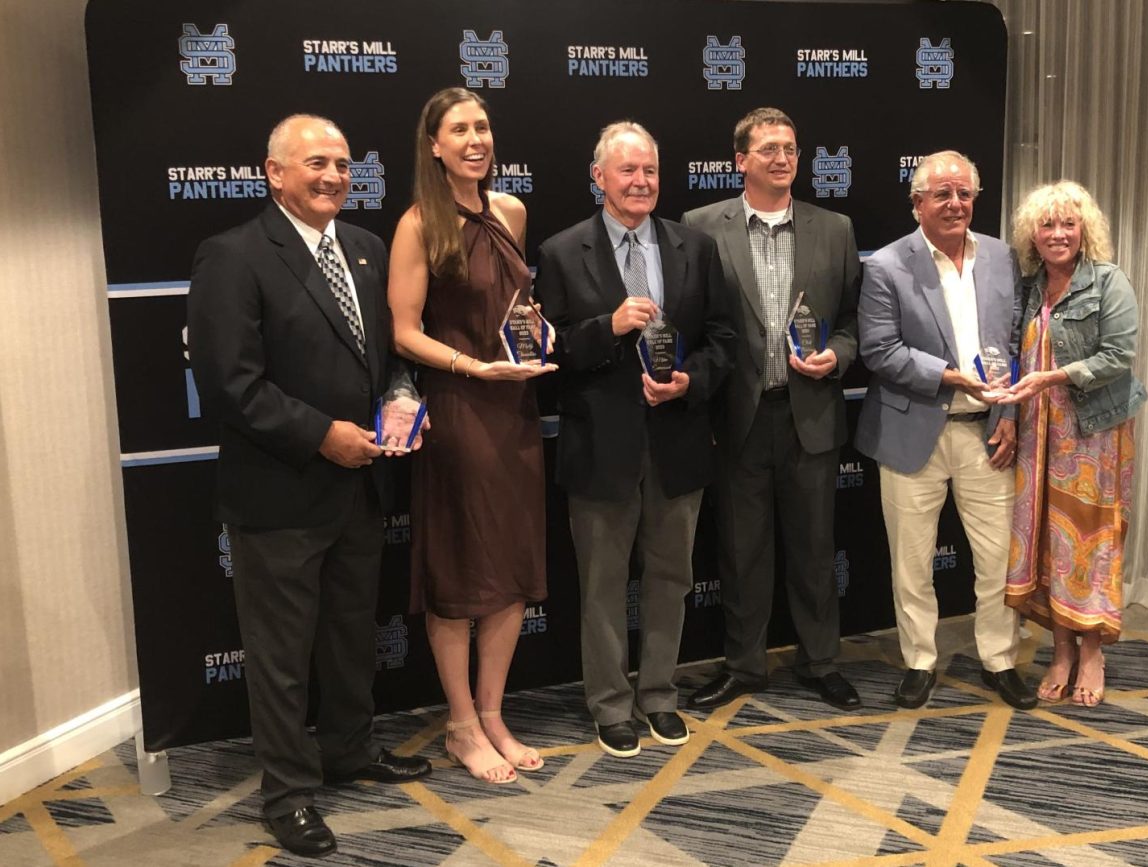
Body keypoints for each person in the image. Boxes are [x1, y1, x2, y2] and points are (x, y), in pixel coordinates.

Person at [187, 114, 432, 858]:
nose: (333, 176)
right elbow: (230, 385)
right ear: (275, 173)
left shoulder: (364, 248)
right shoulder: (232, 256)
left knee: (351, 637)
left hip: (359, 492)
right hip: (281, 494)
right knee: (282, 657)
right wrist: (322, 433)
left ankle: (350, 751)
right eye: (316, 163)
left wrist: (398, 398)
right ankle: (288, 793)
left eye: (343, 165)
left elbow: (386, 354)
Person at [536, 121, 737, 758]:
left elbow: (724, 342)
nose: (641, 182)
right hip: (600, 448)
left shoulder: (694, 248)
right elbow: (549, 352)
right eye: (627, 171)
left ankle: (658, 695)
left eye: (649, 170)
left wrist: (688, 382)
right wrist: (610, 325)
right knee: (600, 583)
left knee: (671, 577)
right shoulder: (562, 252)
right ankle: (608, 703)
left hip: (677, 440)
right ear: (599, 178)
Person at [388, 88, 553, 784]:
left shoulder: (511, 210)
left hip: (514, 410)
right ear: (434, 145)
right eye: (459, 129)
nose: (475, 138)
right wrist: (471, 365)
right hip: (457, 410)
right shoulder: (418, 222)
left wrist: (531, 334)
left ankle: (492, 712)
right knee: (458, 574)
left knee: (513, 568)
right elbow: (403, 329)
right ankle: (458, 721)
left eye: (482, 125)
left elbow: (515, 304)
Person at [682, 108, 862, 712]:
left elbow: (857, 324)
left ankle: (821, 663)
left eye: (790, 147)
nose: (782, 158)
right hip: (737, 418)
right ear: (741, 161)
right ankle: (744, 665)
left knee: (815, 548)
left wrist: (835, 356)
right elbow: (697, 325)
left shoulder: (834, 227)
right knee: (741, 551)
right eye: (768, 149)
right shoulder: (703, 227)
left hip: (810, 413)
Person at [856, 149, 1037, 711]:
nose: (955, 203)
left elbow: (1017, 346)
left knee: (996, 558)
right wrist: (949, 376)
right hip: (913, 432)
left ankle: (999, 660)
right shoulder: (886, 266)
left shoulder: (1005, 258)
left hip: (988, 433)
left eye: (964, 193)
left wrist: (1008, 414)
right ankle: (919, 660)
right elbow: (879, 350)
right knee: (912, 561)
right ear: (917, 205)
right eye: (942, 194)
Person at [1001, 181, 1147, 707]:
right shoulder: (1029, 287)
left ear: (1085, 230)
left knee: (1089, 542)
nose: (1058, 234)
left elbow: (1119, 356)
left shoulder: (1109, 282)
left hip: (1094, 434)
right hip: (1037, 430)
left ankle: (1091, 651)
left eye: (1069, 223)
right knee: (1045, 540)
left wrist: (1054, 376)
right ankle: (1059, 649)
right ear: (1031, 235)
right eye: (1047, 225)